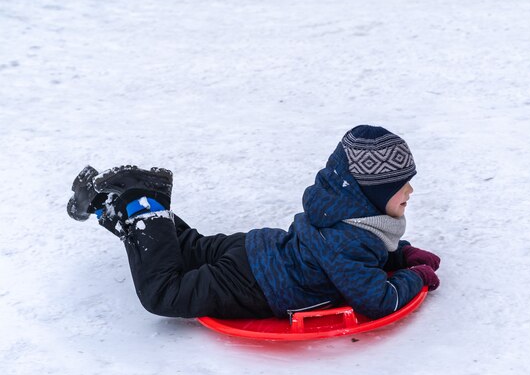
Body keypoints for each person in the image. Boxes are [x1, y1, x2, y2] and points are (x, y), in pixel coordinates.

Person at [67, 125, 441, 321]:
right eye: (398, 185)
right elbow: (378, 299)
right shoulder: (351, 240)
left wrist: (402, 255)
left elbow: (360, 259)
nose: (409, 190)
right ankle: (143, 204)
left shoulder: (342, 211)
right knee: (163, 293)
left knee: (186, 248)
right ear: (370, 194)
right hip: (255, 285)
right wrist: (415, 276)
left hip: (254, 249)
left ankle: (111, 204)